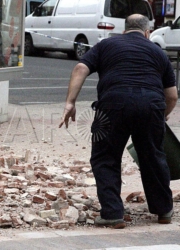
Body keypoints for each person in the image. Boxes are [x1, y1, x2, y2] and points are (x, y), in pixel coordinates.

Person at [59, 14, 178, 229]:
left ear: (124, 31)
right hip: (150, 105)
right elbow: (171, 96)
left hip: (112, 105)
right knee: (153, 157)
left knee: (105, 157)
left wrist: (70, 102)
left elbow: (80, 68)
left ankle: (113, 213)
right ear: (147, 32)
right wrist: (160, 116)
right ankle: (163, 210)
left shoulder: (106, 44)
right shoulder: (158, 53)